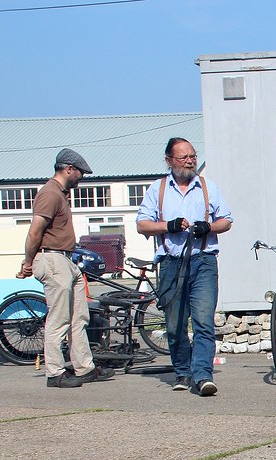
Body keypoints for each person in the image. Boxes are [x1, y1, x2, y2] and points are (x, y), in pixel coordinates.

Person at [136, 138, 233, 396]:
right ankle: (182, 371)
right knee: (175, 324)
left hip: (203, 262)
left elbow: (226, 220)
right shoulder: (157, 189)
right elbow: (142, 225)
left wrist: (208, 227)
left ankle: (202, 375)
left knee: (203, 321)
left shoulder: (207, 187)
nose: (190, 161)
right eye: (183, 157)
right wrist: (167, 226)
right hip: (171, 263)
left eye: (193, 156)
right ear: (169, 161)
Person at [17, 148, 115, 388]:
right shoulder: (49, 193)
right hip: (52, 259)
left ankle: (84, 368)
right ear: (69, 169)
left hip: (66, 260)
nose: (81, 178)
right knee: (59, 319)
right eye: (81, 173)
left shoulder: (60, 194)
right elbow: (35, 232)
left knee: (78, 317)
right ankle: (55, 373)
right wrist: (28, 262)